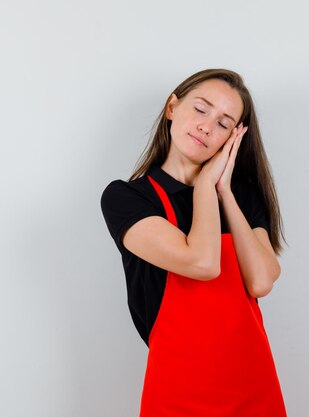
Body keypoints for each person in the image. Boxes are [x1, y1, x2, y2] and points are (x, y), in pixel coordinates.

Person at [100, 68, 287, 416]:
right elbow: (202, 263)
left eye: (223, 123)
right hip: (178, 391)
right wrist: (204, 186)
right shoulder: (128, 198)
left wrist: (224, 192)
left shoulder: (241, 198)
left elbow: (261, 281)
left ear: (232, 139)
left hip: (254, 386)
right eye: (201, 109)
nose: (206, 126)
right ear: (173, 107)